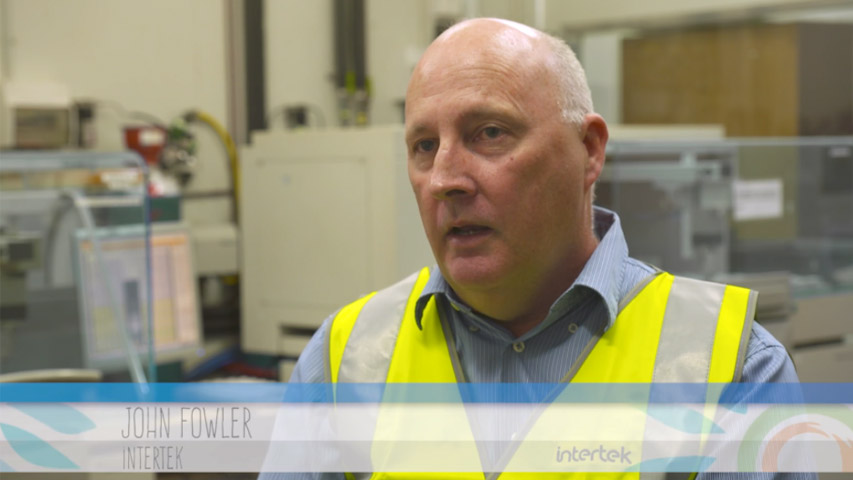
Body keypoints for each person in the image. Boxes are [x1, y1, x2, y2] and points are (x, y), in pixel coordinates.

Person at [264, 18, 814, 480]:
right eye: (424, 145)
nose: (444, 179)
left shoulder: (732, 370)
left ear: (588, 150)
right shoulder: (344, 361)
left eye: (489, 133)